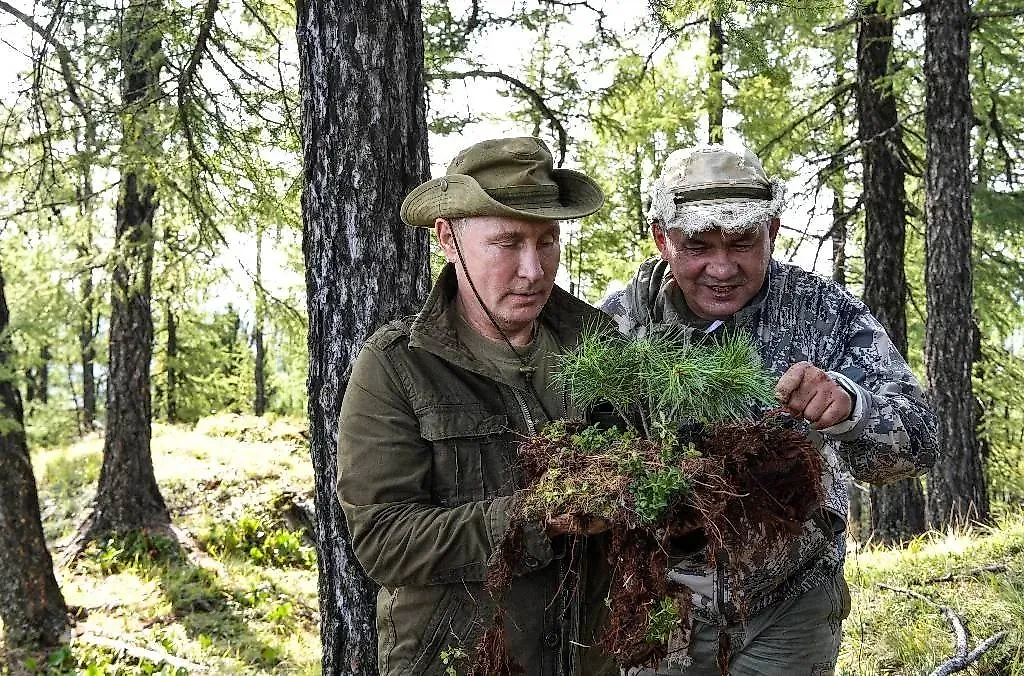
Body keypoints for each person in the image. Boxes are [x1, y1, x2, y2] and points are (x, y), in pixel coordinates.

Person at [602, 143, 938, 676]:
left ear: (773, 232)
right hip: (657, 604)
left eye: (742, 243)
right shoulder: (618, 326)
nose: (722, 267)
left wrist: (852, 407)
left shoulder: (823, 312)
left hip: (789, 607)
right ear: (662, 239)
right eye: (697, 245)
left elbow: (920, 443)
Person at [337, 136, 618, 676]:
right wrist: (534, 520)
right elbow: (383, 542)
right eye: (508, 243)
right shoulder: (398, 367)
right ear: (449, 238)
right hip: (460, 659)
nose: (534, 270)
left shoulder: (597, 341)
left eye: (547, 241)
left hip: (589, 657)